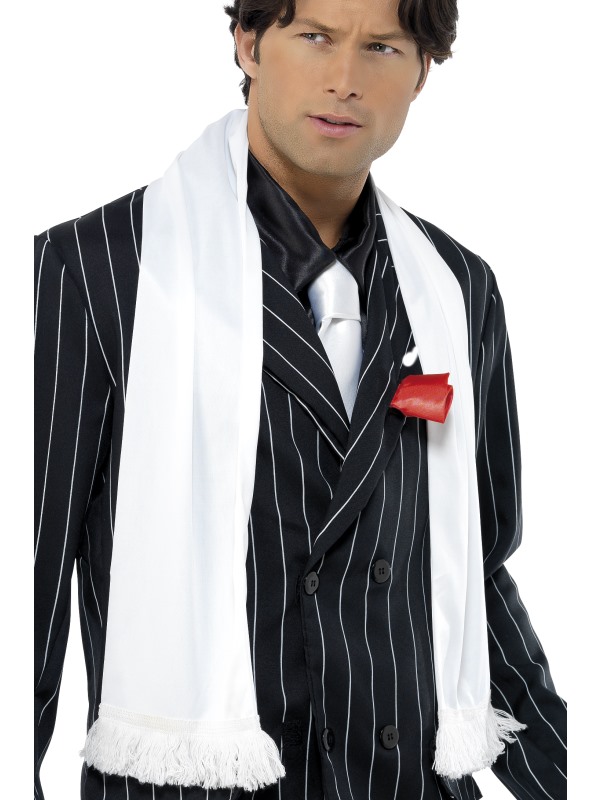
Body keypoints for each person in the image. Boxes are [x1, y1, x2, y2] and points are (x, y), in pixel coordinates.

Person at [34, 1, 567, 799]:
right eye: (315, 37)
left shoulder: (458, 289)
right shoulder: (94, 271)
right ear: (248, 43)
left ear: (422, 72)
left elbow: (476, 572)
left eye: (382, 48)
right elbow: (26, 594)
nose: (345, 80)